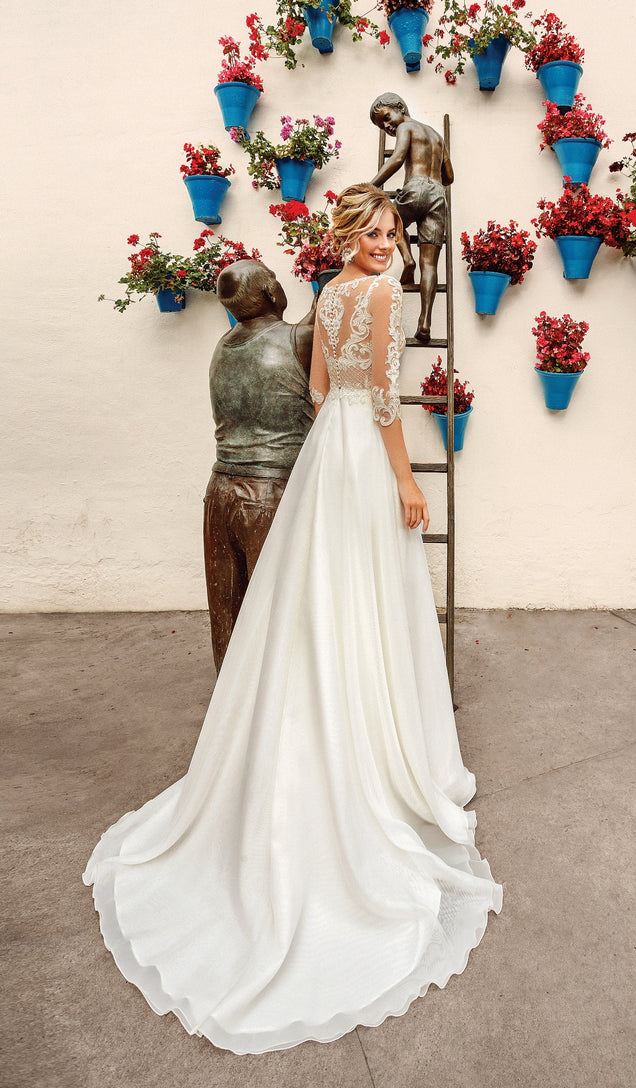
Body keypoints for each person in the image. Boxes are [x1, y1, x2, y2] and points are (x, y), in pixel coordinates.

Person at [83, 183, 501, 1054]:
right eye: (372, 231)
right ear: (349, 234)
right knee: (369, 596)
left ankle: (323, 715)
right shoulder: (379, 294)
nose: (385, 243)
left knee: (317, 598)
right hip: (362, 455)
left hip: (323, 458)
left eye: (391, 233)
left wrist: (337, 452)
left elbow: (319, 387)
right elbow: (385, 401)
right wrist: (404, 478)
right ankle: (372, 745)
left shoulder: (331, 295)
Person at [205, 261, 315, 672]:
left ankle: (231, 717)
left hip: (219, 490)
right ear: (272, 292)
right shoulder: (299, 340)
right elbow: (303, 334)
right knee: (281, 610)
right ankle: (278, 717)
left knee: (227, 612)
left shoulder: (224, 344)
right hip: (270, 493)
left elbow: (287, 334)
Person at [369, 92, 454, 343]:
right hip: (438, 194)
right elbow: (449, 176)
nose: (387, 126)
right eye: (381, 126)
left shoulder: (406, 126)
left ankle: (407, 260)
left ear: (400, 108)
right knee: (431, 264)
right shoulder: (437, 138)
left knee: (389, 220)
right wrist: (433, 176)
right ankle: (425, 321)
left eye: (386, 117)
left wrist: (370, 186)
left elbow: (396, 159)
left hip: (415, 187)